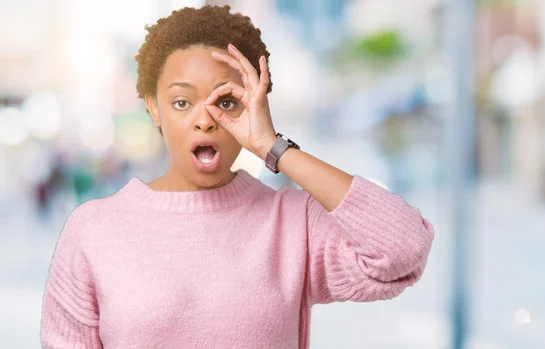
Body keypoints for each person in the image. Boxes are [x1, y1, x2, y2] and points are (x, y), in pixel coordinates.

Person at [40, 5, 434, 349]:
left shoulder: (292, 224)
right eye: (181, 102)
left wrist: (272, 146)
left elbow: (403, 248)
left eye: (226, 101)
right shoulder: (93, 231)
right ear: (153, 108)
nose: (205, 120)